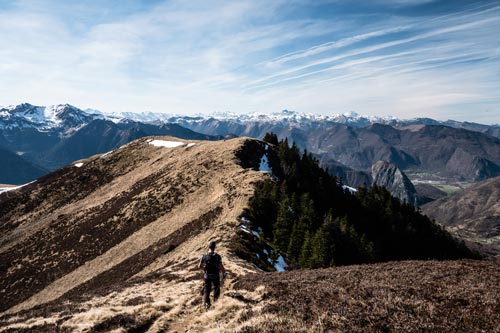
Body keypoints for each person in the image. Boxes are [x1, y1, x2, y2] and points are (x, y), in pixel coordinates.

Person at [199, 241, 226, 308]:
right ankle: (216, 302)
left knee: (207, 289)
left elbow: (199, 266)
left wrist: (204, 269)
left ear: (209, 247)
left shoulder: (204, 256)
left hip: (207, 275)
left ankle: (206, 304)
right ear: (214, 247)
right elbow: (220, 266)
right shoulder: (218, 256)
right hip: (216, 275)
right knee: (216, 288)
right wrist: (224, 272)